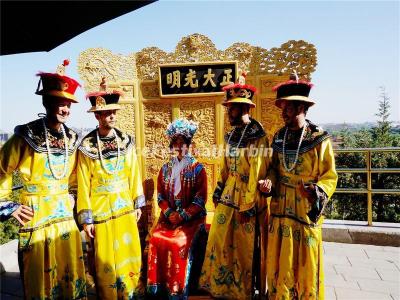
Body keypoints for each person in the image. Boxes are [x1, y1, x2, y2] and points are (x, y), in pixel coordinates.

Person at [0, 60, 87, 299]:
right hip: (35, 214)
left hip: (64, 219)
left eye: (68, 104)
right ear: (46, 102)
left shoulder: (72, 138)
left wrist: (72, 195)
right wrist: (9, 206)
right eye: (60, 103)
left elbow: (74, 177)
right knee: (38, 279)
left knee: (69, 276)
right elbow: (1, 169)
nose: (65, 109)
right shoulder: (25, 136)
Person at [259, 73, 338, 299]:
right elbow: (273, 168)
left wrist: (315, 191)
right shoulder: (279, 137)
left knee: (306, 261)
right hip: (281, 211)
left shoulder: (318, 139)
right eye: (282, 107)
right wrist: (269, 182)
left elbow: (329, 175)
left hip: (304, 211)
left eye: (288, 108)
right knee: (279, 260)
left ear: (302, 107)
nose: (283, 112)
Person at [199, 74, 270, 299]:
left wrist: (248, 205)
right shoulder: (231, 135)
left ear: (243, 108)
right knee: (219, 239)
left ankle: (241, 291)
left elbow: (257, 172)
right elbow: (225, 166)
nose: (228, 112)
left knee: (243, 246)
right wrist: (219, 190)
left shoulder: (258, 137)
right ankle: (220, 286)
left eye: (231, 108)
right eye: (228, 108)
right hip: (229, 192)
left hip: (247, 197)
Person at [76, 79, 145, 299]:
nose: (112, 116)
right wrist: (86, 219)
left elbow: (134, 173)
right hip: (100, 210)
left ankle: (131, 292)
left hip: (124, 207)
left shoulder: (126, 141)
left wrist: (137, 203)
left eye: (114, 111)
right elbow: (83, 181)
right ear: (97, 116)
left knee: (129, 252)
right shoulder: (86, 146)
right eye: (106, 113)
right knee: (104, 258)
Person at [147, 118, 208, 299]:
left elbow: (200, 199)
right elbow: (160, 197)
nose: (179, 146)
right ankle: (159, 289)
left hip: (191, 220)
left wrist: (182, 216)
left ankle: (178, 290)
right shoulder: (165, 168)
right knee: (155, 239)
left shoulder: (198, 169)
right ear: (172, 145)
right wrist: (169, 213)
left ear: (188, 145)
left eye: (183, 142)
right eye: (176, 142)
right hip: (169, 218)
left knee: (178, 242)